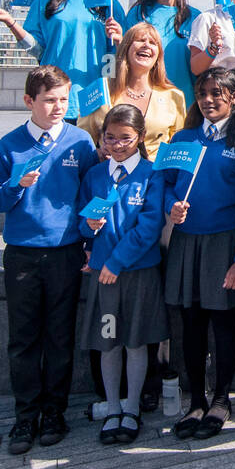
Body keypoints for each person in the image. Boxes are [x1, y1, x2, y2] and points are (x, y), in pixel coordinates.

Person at [0, 65, 97, 454]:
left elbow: (89, 193)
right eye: (49, 100)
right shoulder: (10, 144)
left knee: (59, 335)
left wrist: (90, 232)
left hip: (65, 251)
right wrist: (16, 186)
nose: (57, 107)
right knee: (24, 338)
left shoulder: (80, 141)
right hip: (22, 252)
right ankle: (26, 414)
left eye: (64, 100)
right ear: (29, 101)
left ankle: (54, 410)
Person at [163, 67, 235, 440]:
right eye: (203, 94)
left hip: (225, 242)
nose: (208, 100)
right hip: (187, 241)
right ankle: (196, 400)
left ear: (234, 97)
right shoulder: (183, 139)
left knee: (223, 322)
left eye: (217, 93)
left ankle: (222, 398)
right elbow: (165, 184)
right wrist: (172, 207)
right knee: (191, 325)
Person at [78, 104, 169, 445]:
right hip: (103, 278)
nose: (116, 145)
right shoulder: (95, 175)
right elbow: (81, 220)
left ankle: (132, 408)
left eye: (125, 139)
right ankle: (112, 406)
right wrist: (87, 227)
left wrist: (116, 262)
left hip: (136, 274)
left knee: (134, 341)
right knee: (109, 341)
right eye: (110, 138)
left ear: (140, 138)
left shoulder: (152, 174)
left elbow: (148, 228)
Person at [78, 23, 187, 152]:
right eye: (140, 40)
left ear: (158, 55)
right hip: (108, 168)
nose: (146, 45)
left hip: (154, 170)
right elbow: (80, 141)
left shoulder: (174, 95)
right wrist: (98, 154)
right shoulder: (99, 89)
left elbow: (180, 145)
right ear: (126, 48)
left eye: (153, 43)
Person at [123, 0, 200, 109]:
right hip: (148, 103)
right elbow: (126, 58)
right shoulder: (139, 13)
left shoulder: (196, 17)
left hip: (187, 103)